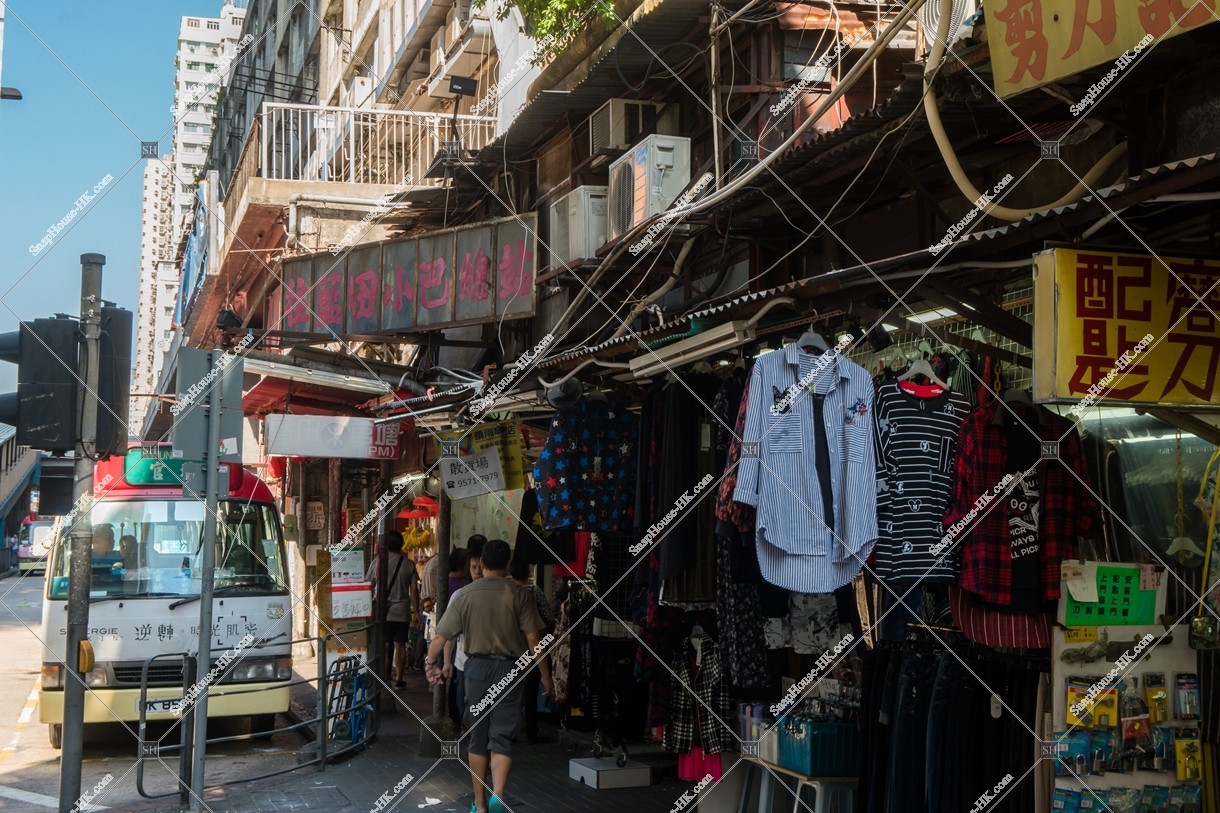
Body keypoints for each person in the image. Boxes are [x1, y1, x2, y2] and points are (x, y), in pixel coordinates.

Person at [426, 539, 552, 813]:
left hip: (477, 670)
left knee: (478, 737)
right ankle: (499, 795)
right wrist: (546, 676)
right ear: (508, 564)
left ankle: (481, 805)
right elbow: (534, 639)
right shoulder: (520, 594)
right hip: (510, 668)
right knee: (503, 738)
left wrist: (430, 663)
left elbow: (441, 636)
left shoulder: (466, 594)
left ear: (481, 563)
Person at [365, 531, 421, 688]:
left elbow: (368, 584)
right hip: (402, 610)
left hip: (383, 610)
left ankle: (384, 677)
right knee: (400, 645)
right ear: (401, 545)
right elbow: (414, 591)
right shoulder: (409, 564)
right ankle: (400, 679)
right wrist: (416, 612)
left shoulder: (378, 562)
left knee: (385, 644)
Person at [510, 556, 555, 743]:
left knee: (513, 693)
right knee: (531, 691)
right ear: (528, 571)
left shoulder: (508, 592)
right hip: (533, 649)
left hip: (512, 649)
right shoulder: (535, 591)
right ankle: (531, 731)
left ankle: (511, 732)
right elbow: (549, 618)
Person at [446, 549, 483, 733]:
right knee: (463, 697)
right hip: (462, 659)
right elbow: (448, 634)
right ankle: (466, 726)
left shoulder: (496, 595)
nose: (477, 571)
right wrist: (446, 661)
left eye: (480, 567)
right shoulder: (459, 595)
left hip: (485, 659)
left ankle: (475, 728)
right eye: (473, 567)